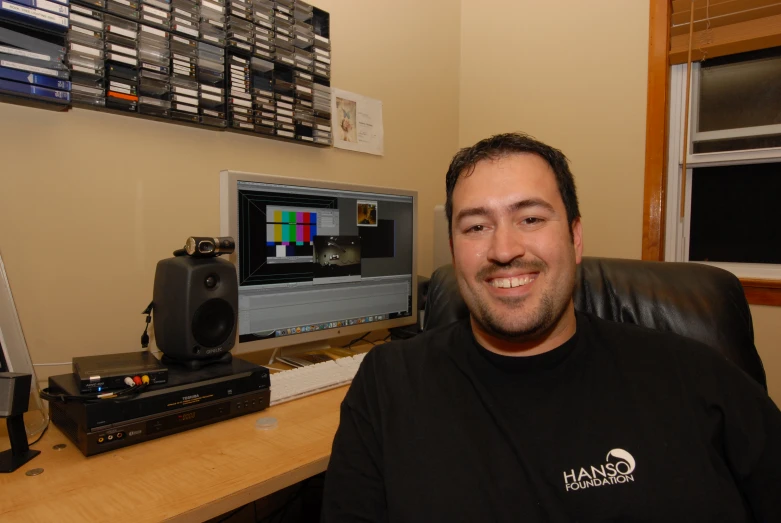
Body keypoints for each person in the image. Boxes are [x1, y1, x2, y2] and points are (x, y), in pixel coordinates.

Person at [321, 133, 781, 522]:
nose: (504, 249)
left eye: (531, 218)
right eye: (476, 226)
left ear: (575, 237)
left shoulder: (695, 375)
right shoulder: (387, 385)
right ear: (453, 248)